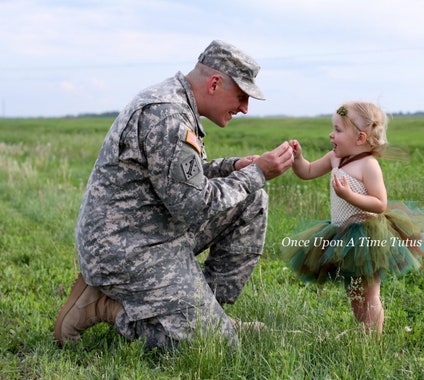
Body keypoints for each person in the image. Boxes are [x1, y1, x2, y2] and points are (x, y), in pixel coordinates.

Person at [53, 40, 294, 350]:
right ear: (215, 83)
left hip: (154, 231)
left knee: (251, 199)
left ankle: (205, 313)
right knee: (215, 346)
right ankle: (105, 305)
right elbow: (193, 206)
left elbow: (182, 180)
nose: (245, 108)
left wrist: (234, 166)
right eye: (242, 95)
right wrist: (257, 172)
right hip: (125, 249)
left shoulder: (176, 103)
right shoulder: (166, 115)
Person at [282, 101, 424, 335]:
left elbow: (379, 204)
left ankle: (373, 339)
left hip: (367, 236)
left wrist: (349, 194)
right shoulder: (334, 158)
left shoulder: (369, 166)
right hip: (342, 235)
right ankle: (363, 332)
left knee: (369, 293)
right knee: (354, 291)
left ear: (360, 138)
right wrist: (298, 158)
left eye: (337, 130)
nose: (331, 134)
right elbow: (307, 172)